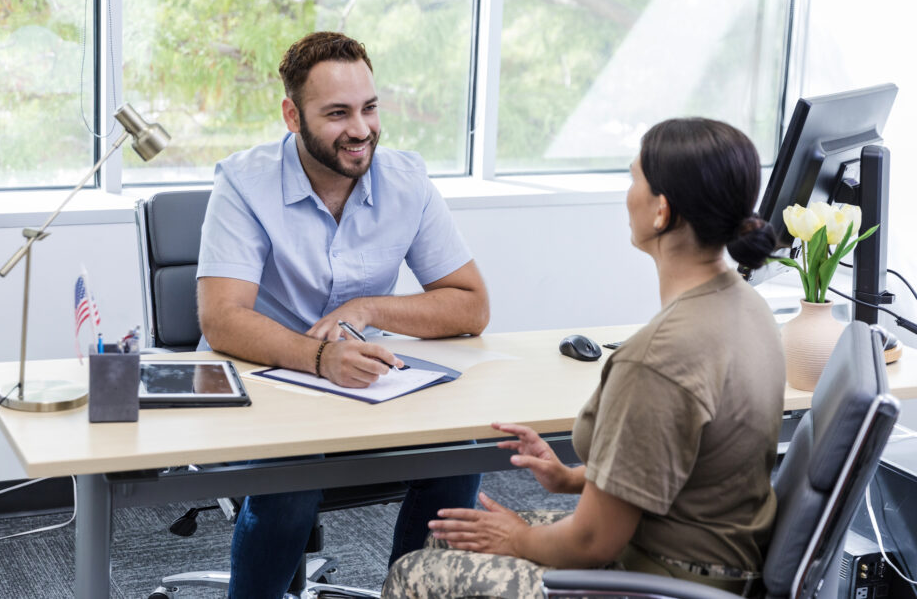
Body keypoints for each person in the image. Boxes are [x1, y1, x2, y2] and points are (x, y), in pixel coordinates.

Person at [383, 118, 784, 599]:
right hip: (715, 560)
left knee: (413, 574)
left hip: (661, 579)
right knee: (443, 537)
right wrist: (570, 477)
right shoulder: (748, 307)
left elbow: (593, 542)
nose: (627, 192)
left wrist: (517, 540)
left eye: (634, 178)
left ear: (661, 211)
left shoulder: (655, 360)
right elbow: (684, 465)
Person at [196, 31, 490, 599]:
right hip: (269, 385)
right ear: (291, 114)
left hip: (365, 383)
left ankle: (412, 590)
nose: (360, 129)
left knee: (459, 455)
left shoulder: (406, 179)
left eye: (370, 108)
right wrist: (320, 356)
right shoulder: (243, 183)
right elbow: (222, 319)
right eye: (337, 113)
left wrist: (367, 307)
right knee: (291, 483)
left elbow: (470, 304)